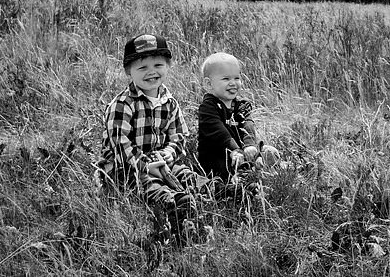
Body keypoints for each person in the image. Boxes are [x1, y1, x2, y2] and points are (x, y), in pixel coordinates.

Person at [96, 33, 203, 244]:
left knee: (188, 176)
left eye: (158, 65)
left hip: (161, 161)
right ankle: (170, 205)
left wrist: (163, 157)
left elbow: (179, 138)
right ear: (129, 71)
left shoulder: (169, 102)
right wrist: (146, 165)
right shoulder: (122, 104)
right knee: (148, 183)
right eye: (142, 67)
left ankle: (208, 194)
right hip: (126, 166)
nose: (152, 72)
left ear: (167, 66)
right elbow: (121, 146)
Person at [197, 51, 280, 186]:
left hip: (243, 153)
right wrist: (234, 150)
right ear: (209, 84)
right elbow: (218, 132)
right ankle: (238, 184)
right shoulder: (208, 107)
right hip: (220, 157)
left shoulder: (241, 105)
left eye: (236, 78)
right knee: (227, 171)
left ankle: (262, 176)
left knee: (270, 152)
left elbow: (248, 125)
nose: (233, 83)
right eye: (226, 79)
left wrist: (249, 146)